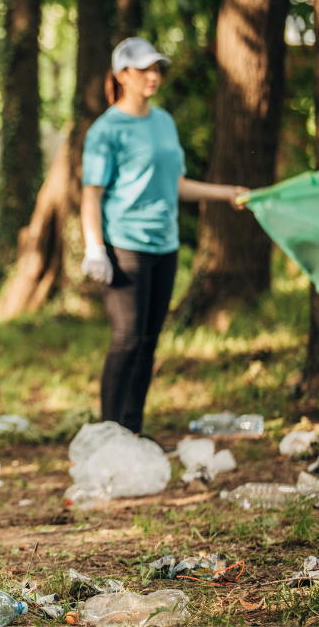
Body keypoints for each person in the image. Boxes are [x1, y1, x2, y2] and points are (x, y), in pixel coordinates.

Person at [80, 37, 248, 434]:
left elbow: (177, 184)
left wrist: (226, 193)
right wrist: (95, 248)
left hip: (164, 246)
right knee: (127, 339)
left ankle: (132, 431)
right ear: (122, 75)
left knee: (148, 342)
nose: (153, 76)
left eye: (156, 68)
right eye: (144, 69)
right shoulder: (106, 130)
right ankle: (109, 434)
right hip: (125, 246)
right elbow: (91, 195)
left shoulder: (164, 122)